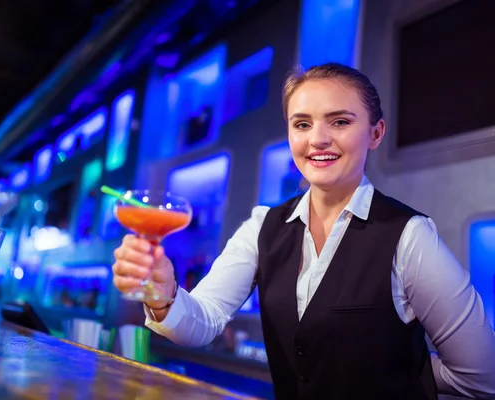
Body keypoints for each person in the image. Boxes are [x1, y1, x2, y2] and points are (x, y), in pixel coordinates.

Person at [111, 63, 495, 399]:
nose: (318, 139)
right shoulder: (263, 226)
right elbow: (205, 321)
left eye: (340, 121)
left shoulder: (408, 235)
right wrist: (164, 296)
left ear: (375, 134)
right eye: (302, 124)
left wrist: (398, 372)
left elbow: (481, 377)